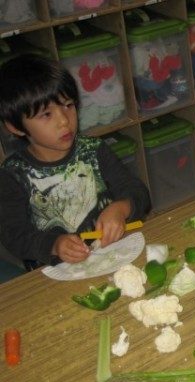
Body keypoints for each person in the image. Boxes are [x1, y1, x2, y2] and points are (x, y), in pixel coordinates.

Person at [0, 54, 150, 267]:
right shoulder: (12, 174)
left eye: (68, 105)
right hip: (57, 271)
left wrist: (122, 207)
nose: (64, 120)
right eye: (46, 115)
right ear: (15, 127)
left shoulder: (94, 150)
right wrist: (54, 245)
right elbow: (14, 234)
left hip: (112, 254)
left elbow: (137, 191)